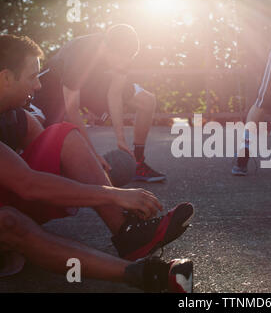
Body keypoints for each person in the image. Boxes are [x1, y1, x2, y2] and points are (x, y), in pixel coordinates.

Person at [0, 34, 194, 292]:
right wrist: (113, 194)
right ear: (5, 78)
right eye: (32, 77)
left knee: (63, 134)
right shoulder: (82, 54)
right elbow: (28, 184)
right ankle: (144, 275)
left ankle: (128, 233)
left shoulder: (17, 115)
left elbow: (53, 156)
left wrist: (95, 166)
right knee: (8, 222)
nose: (38, 86)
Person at [33, 24, 166, 183]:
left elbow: (115, 94)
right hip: (53, 88)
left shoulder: (121, 51)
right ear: (106, 49)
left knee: (147, 101)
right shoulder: (80, 56)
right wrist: (92, 155)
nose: (124, 65)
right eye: (122, 60)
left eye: (129, 59)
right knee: (40, 133)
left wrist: (121, 139)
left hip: (91, 83)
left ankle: (137, 162)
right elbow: (72, 110)